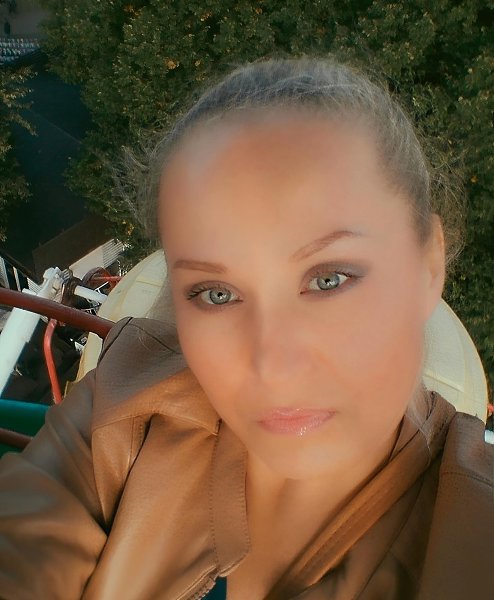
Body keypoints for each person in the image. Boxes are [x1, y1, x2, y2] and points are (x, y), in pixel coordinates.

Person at [0, 57, 492, 600]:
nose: (273, 366)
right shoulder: (124, 408)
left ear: (428, 266)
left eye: (329, 279)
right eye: (217, 293)